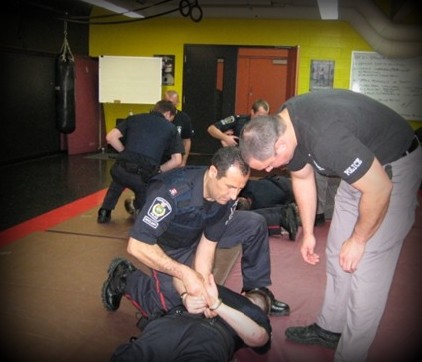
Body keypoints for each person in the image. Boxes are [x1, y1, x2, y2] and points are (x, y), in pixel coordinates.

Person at [239, 89, 422, 361]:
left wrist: (359, 240)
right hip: (357, 168)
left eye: (268, 166)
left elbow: (380, 188)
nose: (268, 172)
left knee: (367, 268)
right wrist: (309, 232)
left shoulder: (326, 138)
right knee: (338, 253)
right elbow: (301, 178)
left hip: (391, 169)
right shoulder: (284, 127)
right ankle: (330, 328)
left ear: (280, 147)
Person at [101, 146, 290, 320]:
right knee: (171, 310)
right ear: (214, 172)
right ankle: (124, 277)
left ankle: (256, 291)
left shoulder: (226, 197)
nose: (234, 196)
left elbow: (208, 245)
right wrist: (184, 274)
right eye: (231, 187)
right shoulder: (170, 193)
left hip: (199, 230)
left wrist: (205, 291)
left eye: (240, 188)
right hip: (169, 245)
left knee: (254, 223)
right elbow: (137, 245)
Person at [109, 263, 272, 362]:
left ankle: (126, 277)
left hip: (189, 327)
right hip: (190, 326)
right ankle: (127, 277)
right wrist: (187, 296)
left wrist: (216, 305)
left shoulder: (256, 317)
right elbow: (181, 276)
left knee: (137, 354)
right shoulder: (217, 291)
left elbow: (258, 337)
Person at [97, 100, 185, 224]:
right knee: (145, 188)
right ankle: (139, 213)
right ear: (168, 114)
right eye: (172, 118)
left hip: (121, 171)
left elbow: (110, 137)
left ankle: (104, 212)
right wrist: (159, 170)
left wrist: (124, 153)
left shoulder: (134, 118)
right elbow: (177, 160)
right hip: (143, 177)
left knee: (118, 180)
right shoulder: (170, 128)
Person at [164, 90, 194, 167]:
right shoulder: (157, 117)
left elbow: (186, 141)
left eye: (171, 103)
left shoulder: (184, 118)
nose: (169, 106)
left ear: (177, 103)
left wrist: (183, 161)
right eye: (166, 102)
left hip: (176, 157)